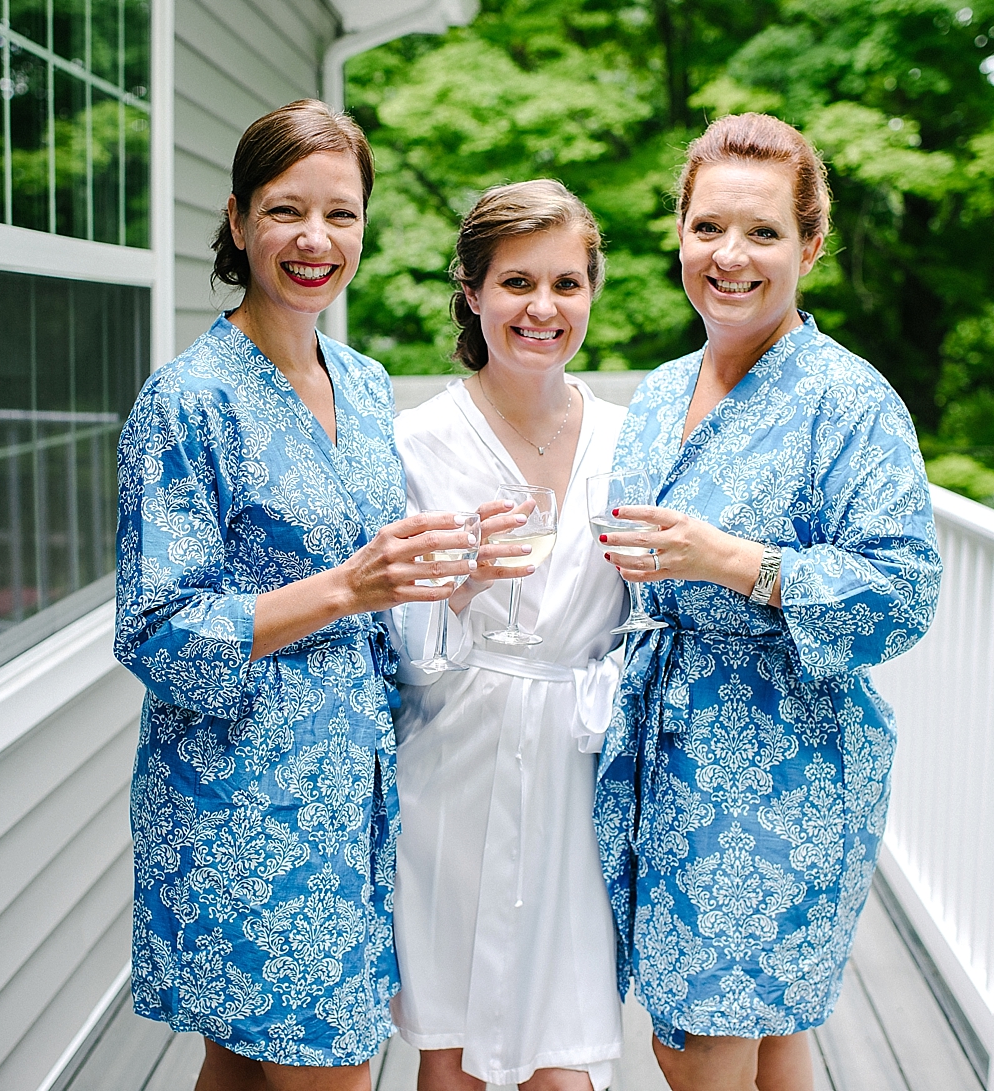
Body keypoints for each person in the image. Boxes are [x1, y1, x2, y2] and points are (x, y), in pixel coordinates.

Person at [115, 100, 475, 1091]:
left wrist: (443, 574)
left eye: (342, 214)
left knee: (236, 1070)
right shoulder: (187, 401)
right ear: (236, 222)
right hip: (239, 791)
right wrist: (344, 587)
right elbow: (154, 627)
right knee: (325, 1067)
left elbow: (376, 573)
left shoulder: (362, 384)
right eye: (286, 211)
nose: (316, 240)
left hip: (355, 777)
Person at [593, 114, 942, 1091]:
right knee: (766, 1031)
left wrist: (735, 561)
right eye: (706, 227)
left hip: (783, 761)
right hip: (665, 749)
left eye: (760, 232)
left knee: (700, 1039)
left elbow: (902, 592)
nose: (728, 256)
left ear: (809, 246)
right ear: (677, 233)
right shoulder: (660, 392)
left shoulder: (849, 400)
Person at [386, 180, 627, 1091]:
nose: (543, 307)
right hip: (455, 759)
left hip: (575, 764)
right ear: (473, 290)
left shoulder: (627, 439)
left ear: (592, 293)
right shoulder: (418, 442)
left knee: (562, 1060)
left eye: (567, 283)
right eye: (517, 282)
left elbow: (644, 618)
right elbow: (386, 635)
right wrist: (456, 587)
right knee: (451, 1053)